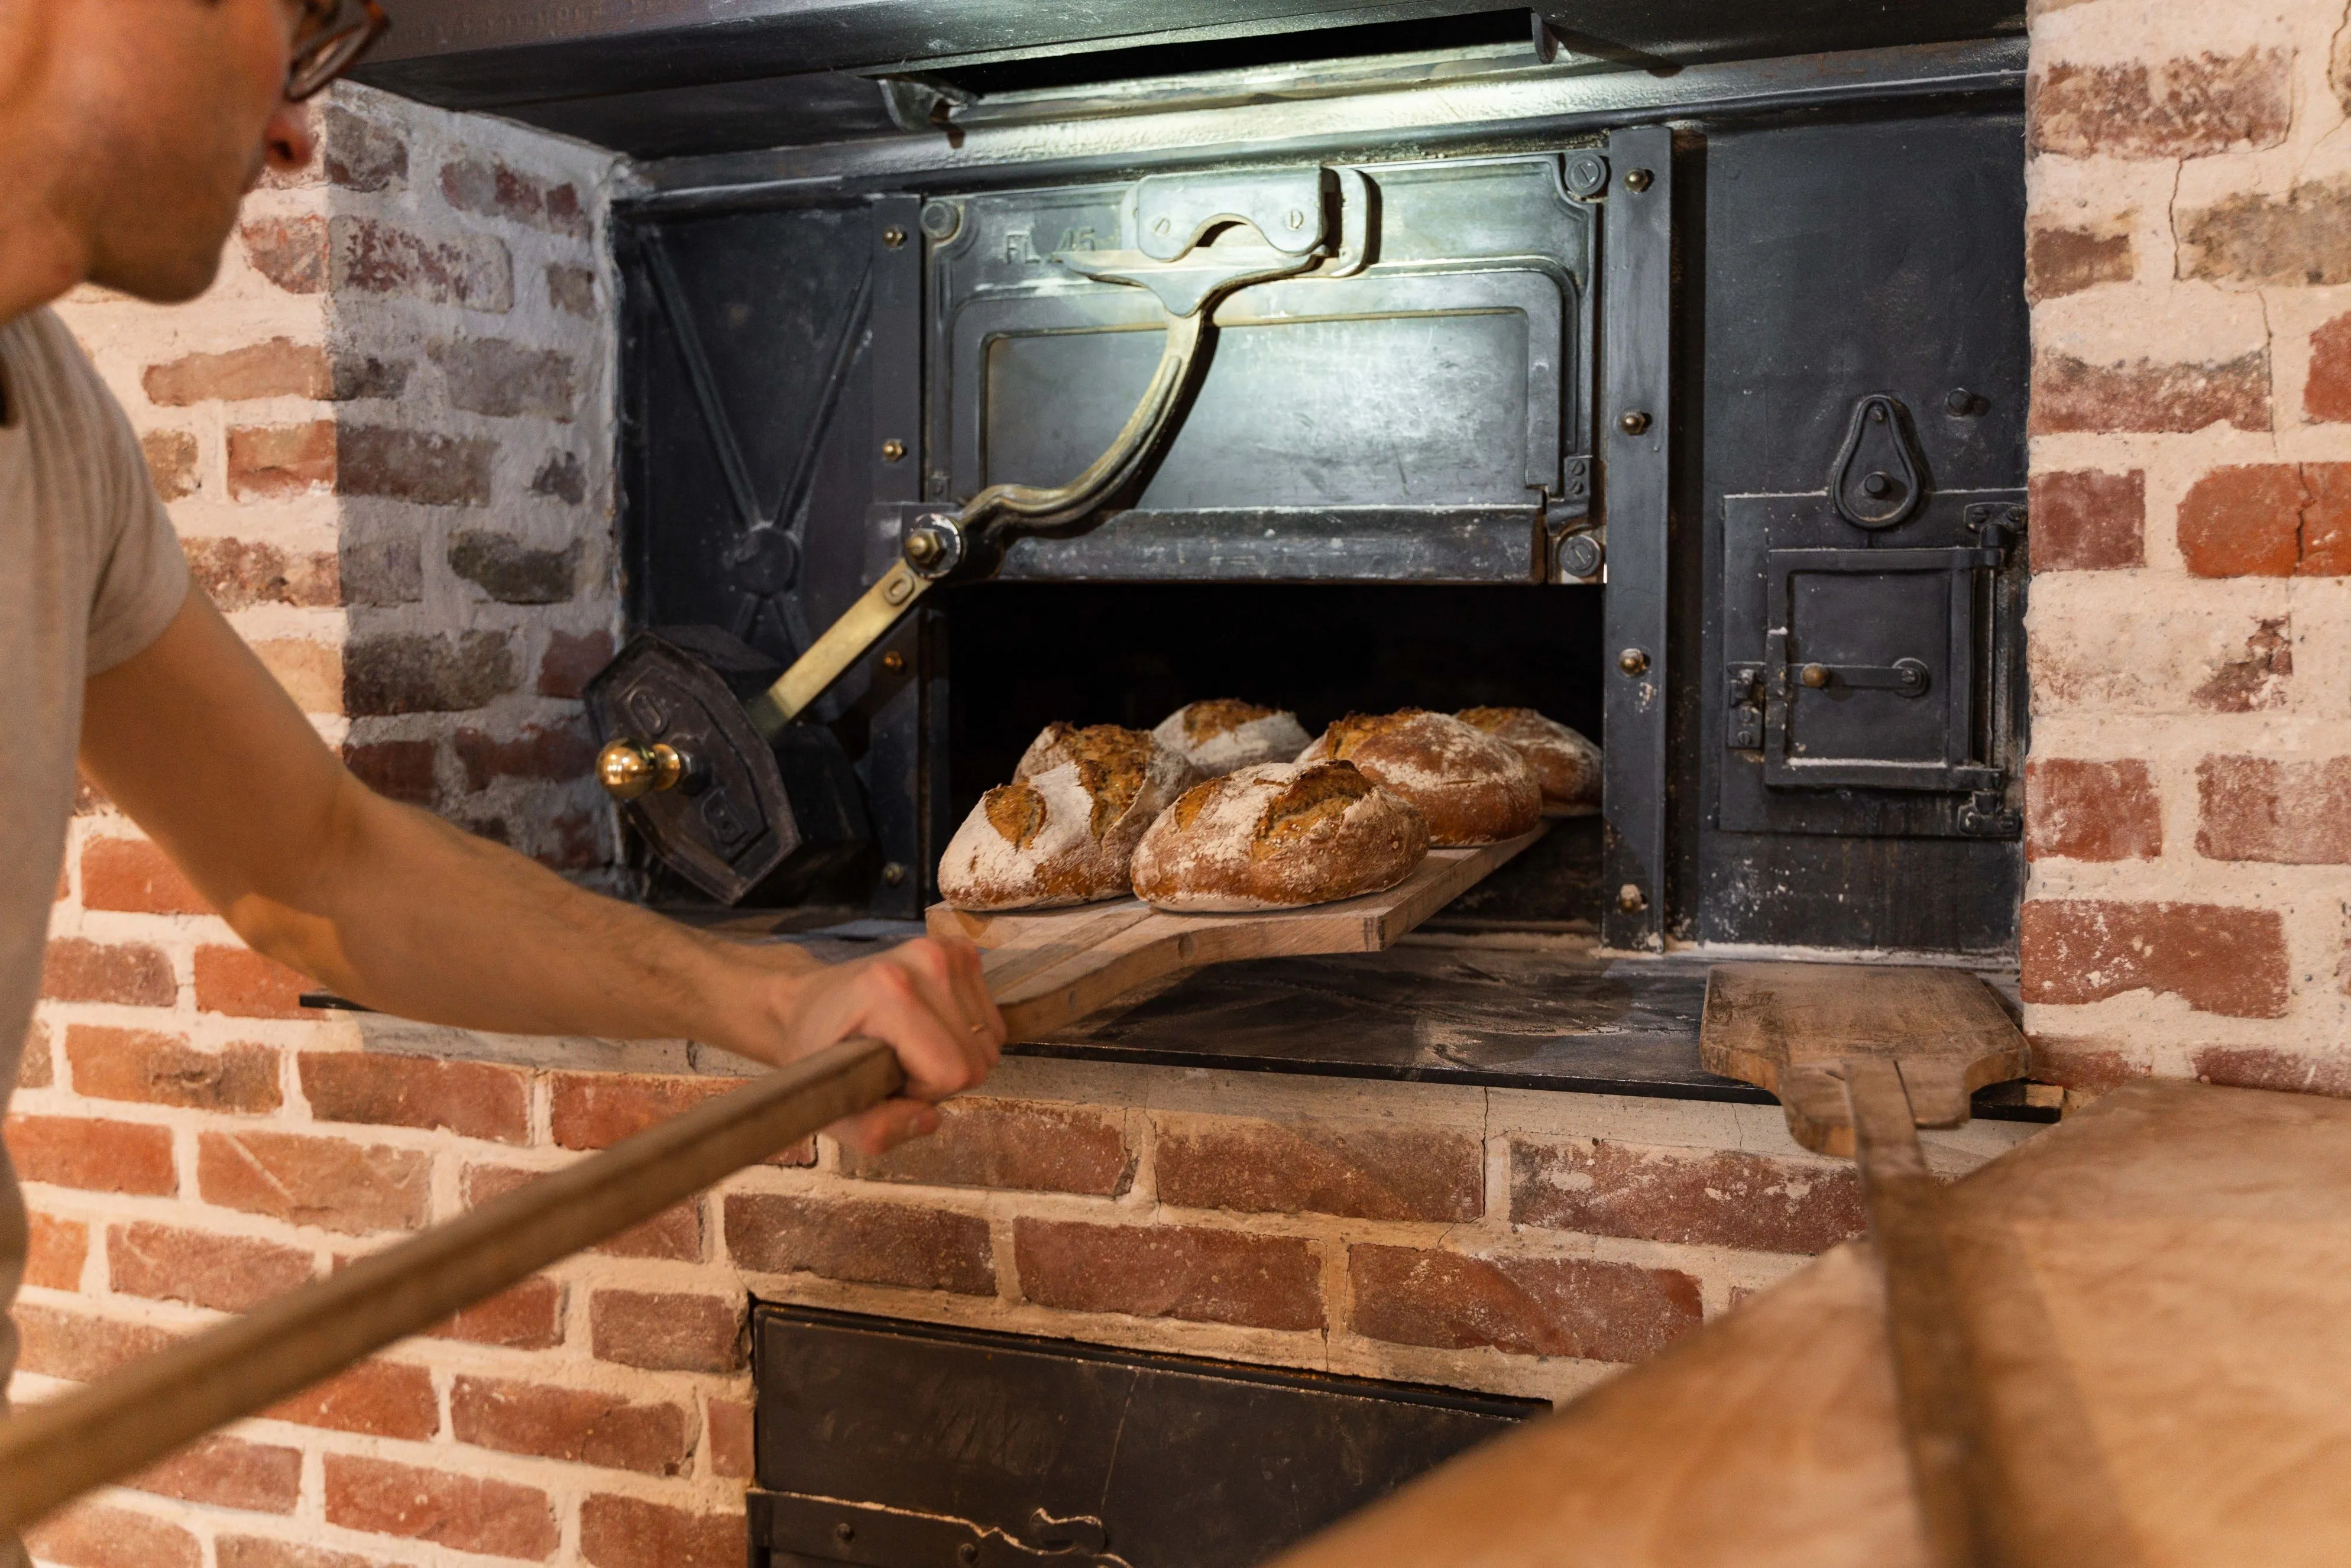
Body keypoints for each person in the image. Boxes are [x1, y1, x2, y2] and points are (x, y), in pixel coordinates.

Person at [0, 0, 1003, 1519]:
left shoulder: (51, 421)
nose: (292, 129)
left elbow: (312, 863)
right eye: (291, 35)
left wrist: (773, 999)